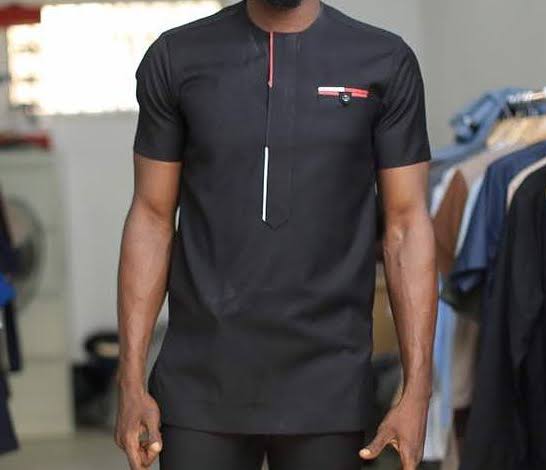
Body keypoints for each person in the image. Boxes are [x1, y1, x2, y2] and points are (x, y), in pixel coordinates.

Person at [114, 0, 438, 469]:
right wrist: (130, 381)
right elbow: (151, 217)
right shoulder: (177, 57)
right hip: (200, 382)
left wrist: (417, 391)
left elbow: (407, 226)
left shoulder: (384, 61)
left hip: (329, 383)